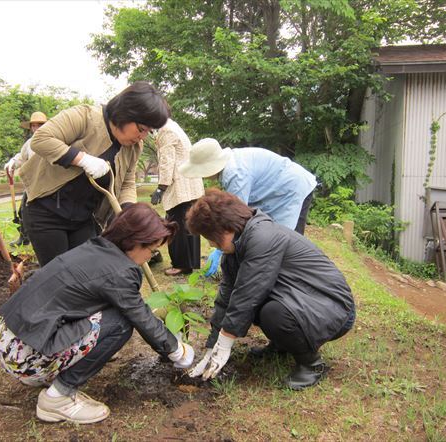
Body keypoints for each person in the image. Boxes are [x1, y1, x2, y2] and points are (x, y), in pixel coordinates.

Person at [0, 203, 194, 424]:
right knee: (120, 323)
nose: (150, 257)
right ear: (134, 242)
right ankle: (57, 398)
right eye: (152, 250)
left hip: (12, 342)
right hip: (25, 357)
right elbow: (140, 316)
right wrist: (177, 350)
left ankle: (47, 372)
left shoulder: (96, 248)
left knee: (111, 311)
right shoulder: (119, 271)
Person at [185, 189, 355, 390]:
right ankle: (281, 345)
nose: (211, 244)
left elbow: (248, 294)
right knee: (258, 306)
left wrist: (225, 342)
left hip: (333, 308)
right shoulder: (237, 248)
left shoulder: (262, 238)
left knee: (272, 313)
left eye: (210, 237)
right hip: (302, 299)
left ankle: (311, 364)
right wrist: (212, 347)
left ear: (227, 228)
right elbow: (227, 297)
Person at [20, 81, 170, 267]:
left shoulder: (133, 147)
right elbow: (41, 139)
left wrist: (127, 210)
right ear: (126, 113)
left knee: (86, 272)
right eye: (141, 129)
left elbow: (127, 181)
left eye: (149, 131)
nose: (143, 137)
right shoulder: (85, 117)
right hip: (47, 211)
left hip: (84, 217)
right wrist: (82, 159)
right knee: (59, 274)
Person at [179, 138, 318, 275]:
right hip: (275, 194)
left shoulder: (235, 174)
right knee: (270, 236)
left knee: (285, 240)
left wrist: (220, 248)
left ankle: (291, 278)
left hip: (291, 190)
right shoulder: (231, 163)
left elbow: (236, 219)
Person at [150, 119, 204, 276]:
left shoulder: (166, 130)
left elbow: (167, 161)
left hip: (180, 187)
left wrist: (161, 188)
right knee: (189, 224)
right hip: (190, 183)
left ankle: (181, 264)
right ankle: (190, 263)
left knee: (176, 226)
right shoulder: (174, 126)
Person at [4, 111, 48, 247]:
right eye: (33, 126)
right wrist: (12, 162)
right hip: (32, 185)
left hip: (49, 184)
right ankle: (24, 238)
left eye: (39, 125)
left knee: (45, 214)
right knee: (23, 211)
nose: (36, 128)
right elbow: (21, 157)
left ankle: (45, 240)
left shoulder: (53, 140)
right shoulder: (29, 143)